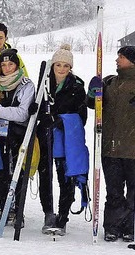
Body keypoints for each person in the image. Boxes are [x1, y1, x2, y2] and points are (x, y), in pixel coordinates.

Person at [34, 44, 88, 236]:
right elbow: (37, 108)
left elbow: (82, 116)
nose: (62, 69)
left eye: (66, 65)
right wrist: (41, 114)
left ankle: (62, 216)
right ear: (53, 65)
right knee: (45, 176)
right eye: (59, 64)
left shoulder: (77, 86)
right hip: (46, 136)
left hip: (66, 139)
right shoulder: (43, 84)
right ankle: (48, 213)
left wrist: (63, 120)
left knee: (66, 177)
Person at [0, 48, 35, 226]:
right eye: (3, 65)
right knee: (2, 173)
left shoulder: (26, 85)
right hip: (0, 135)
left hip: (18, 134)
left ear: (17, 65)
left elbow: (22, 114)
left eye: (11, 64)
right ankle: (5, 209)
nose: (7, 68)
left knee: (17, 172)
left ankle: (18, 210)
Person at [86, 46, 135, 242]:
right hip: (110, 147)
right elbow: (92, 105)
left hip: (132, 149)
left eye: (121, 57)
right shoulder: (109, 82)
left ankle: (130, 227)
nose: (117, 60)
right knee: (114, 190)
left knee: (133, 191)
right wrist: (92, 92)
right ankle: (112, 226)